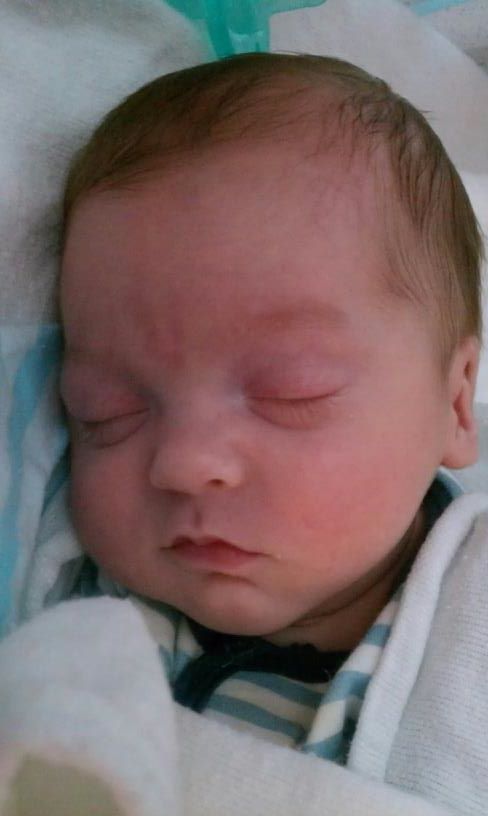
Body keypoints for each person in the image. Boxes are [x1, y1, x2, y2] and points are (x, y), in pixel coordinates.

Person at [58, 51, 483, 769]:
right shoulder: (69, 619)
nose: (184, 464)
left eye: (293, 392)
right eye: (107, 411)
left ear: (457, 402)